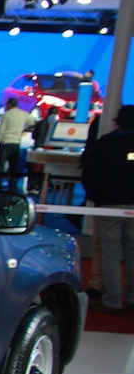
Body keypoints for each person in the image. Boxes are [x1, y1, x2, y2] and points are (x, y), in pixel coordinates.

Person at [80, 105, 134, 313]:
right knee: (132, 251)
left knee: (110, 253)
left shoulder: (105, 144)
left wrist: (96, 197)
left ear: (116, 120)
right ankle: (132, 298)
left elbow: (90, 173)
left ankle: (113, 299)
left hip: (109, 205)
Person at [0, 96, 31, 190]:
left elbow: (1, 130)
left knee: (0, 167)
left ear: (9, 104)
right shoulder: (24, 114)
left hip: (5, 142)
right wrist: (25, 130)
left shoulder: (7, 115)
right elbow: (33, 123)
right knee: (14, 168)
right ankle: (12, 188)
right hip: (16, 143)